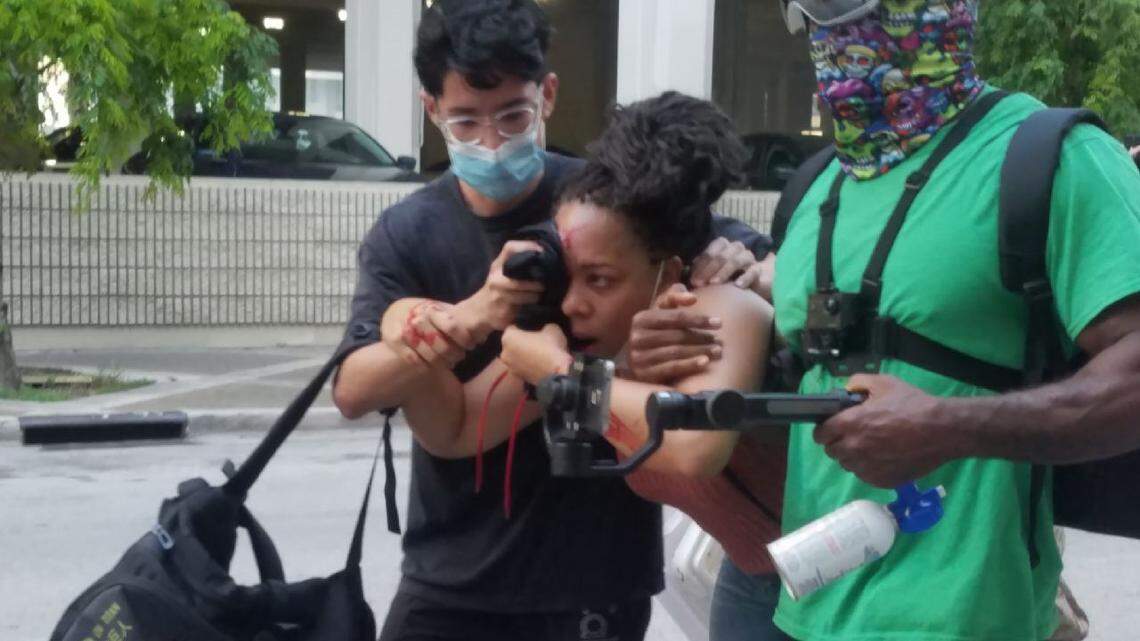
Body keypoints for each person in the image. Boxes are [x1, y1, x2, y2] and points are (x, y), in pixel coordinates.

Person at [331, 1, 774, 639]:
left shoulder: (610, 199)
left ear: (548, 96)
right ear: (432, 110)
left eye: (512, 115)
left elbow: (697, 434)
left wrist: (744, 262)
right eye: (466, 120)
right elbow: (376, 398)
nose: (491, 140)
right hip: (451, 578)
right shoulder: (409, 234)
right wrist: (468, 317)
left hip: (593, 582)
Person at [762, 2, 1140, 641]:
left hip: (973, 618)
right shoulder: (812, 188)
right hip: (807, 612)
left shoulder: (1056, 156)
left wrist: (948, 425)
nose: (825, 22)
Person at [493, 92, 790, 641]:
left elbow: (692, 445)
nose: (573, 302)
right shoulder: (615, 339)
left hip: (840, 574)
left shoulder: (720, 305)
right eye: (568, 274)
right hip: (755, 578)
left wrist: (560, 374)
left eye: (600, 279)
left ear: (668, 270)